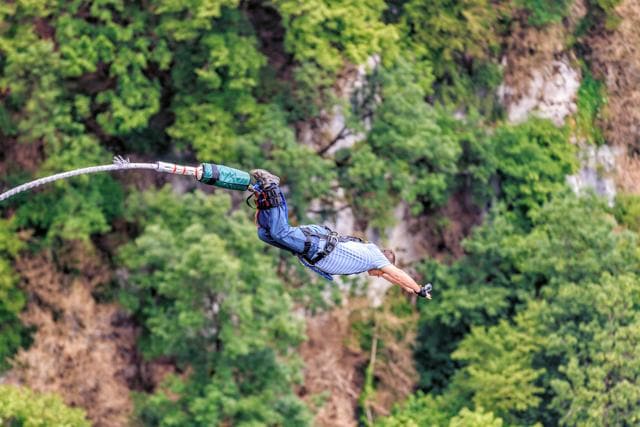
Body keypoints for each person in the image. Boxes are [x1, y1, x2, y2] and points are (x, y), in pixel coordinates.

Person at [249, 169, 432, 299]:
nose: (379, 275)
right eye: (381, 272)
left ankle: (263, 196)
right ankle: (272, 186)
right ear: (384, 262)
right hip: (316, 244)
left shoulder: (370, 260)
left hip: (313, 248)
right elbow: (396, 273)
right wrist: (419, 289)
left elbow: (391, 277)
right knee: (280, 233)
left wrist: (409, 289)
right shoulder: (375, 257)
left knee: (265, 234)